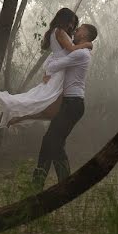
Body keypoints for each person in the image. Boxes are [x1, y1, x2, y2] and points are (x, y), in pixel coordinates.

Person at [0, 8, 92, 128]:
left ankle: (20, 117)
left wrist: (47, 71)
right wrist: (87, 44)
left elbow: (54, 56)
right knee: (41, 100)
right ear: (63, 19)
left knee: (44, 102)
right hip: (59, 72)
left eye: (73, 24)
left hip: (59, 72)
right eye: (70, 22)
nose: (72, 26)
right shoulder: (59, 32)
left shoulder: (59, 32)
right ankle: (13, 108)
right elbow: (71, 50)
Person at [32, 23, 97, 187]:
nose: (76, 30)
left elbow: (52, 66)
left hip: (73, 104)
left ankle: (65, 184)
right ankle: (38, 183)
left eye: (79, 29)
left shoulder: (81, 54)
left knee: (54, 142)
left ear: (85, 35)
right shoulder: (80, 50)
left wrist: (51, 64)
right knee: (50, 141)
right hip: (68, 104)